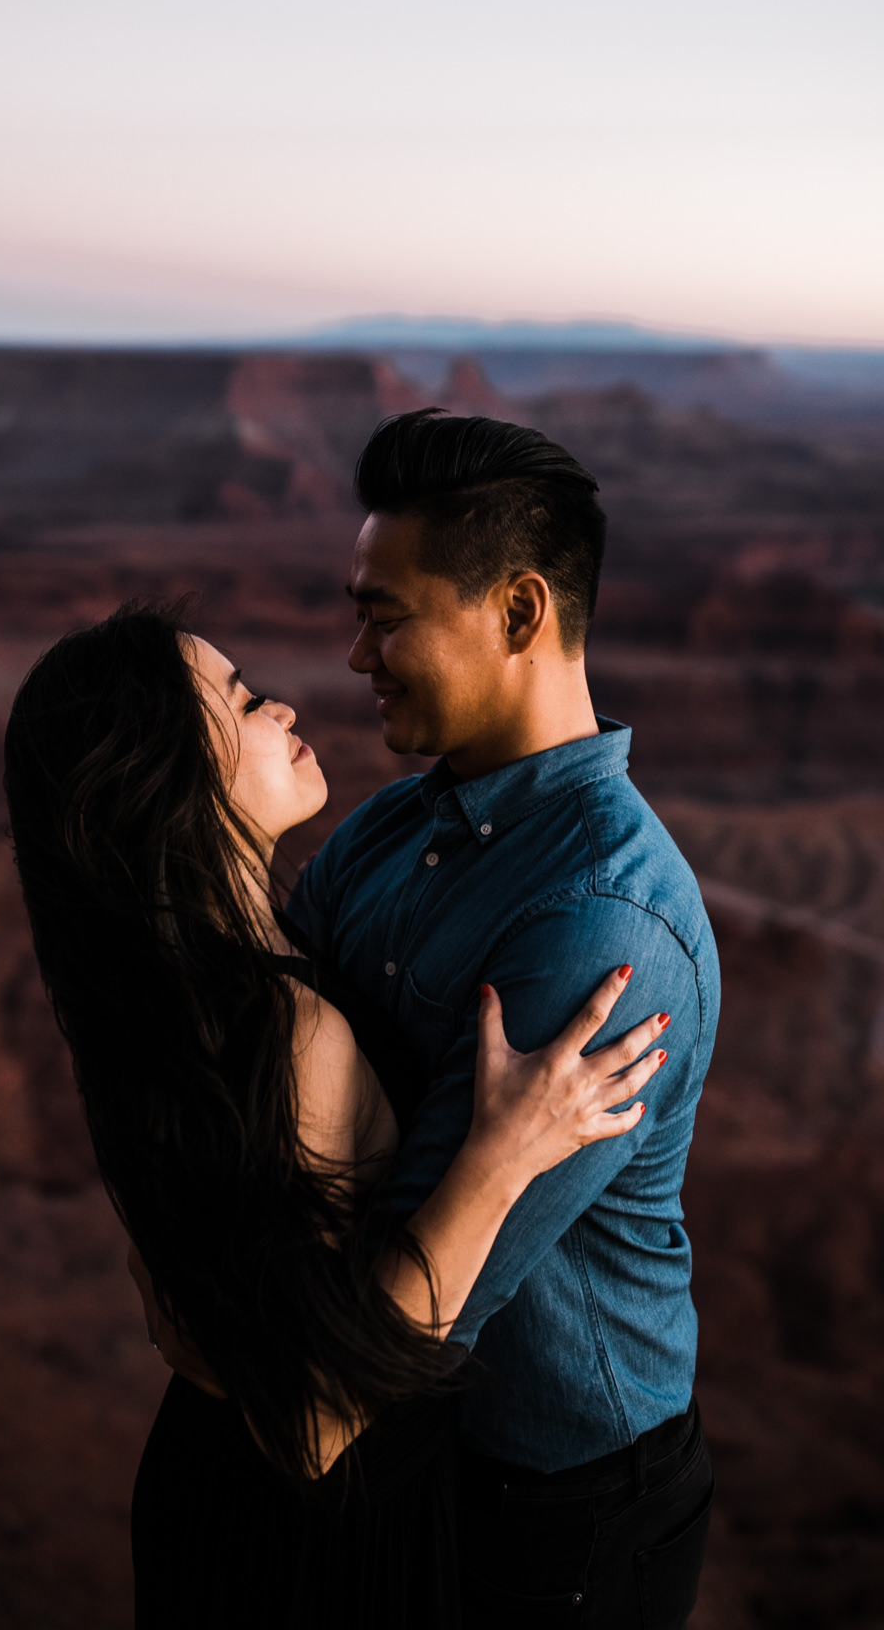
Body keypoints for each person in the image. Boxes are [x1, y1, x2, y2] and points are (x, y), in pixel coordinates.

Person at [2, 600, 670, 1628]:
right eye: (236, 698)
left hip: (214, 1492)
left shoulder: (156, 999)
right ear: (168, 775)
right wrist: (506, 1151)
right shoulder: (283, 1029)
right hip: (316, 1540)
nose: (278, 702)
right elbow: (317, 1419)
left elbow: (176, 1297)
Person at [284, 408, 721, 1629]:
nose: (357, 653)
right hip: (418, 1452)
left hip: (558, 1507)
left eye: (384, 613)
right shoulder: (394, 825)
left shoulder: (601, 930)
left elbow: (394, 1311)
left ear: (520, 611)